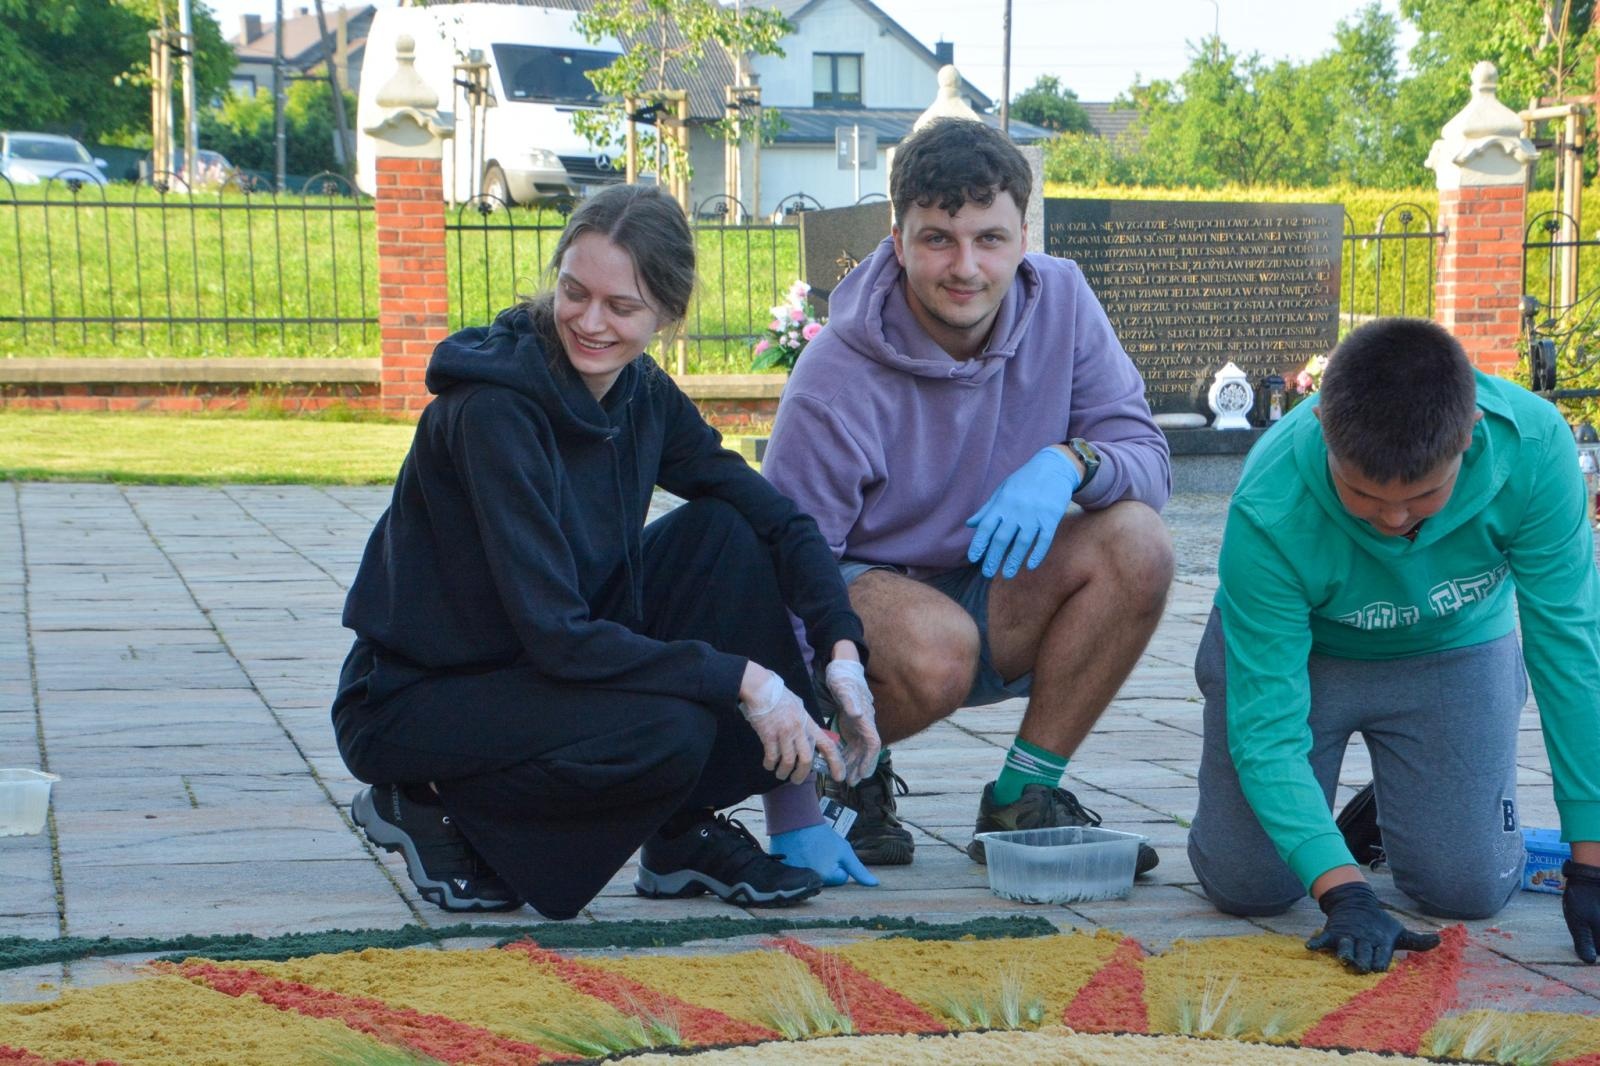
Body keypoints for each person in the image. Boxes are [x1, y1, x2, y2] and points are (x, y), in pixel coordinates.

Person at [330, 183, 881, 921]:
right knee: (672, 729)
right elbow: (558, 636)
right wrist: (749, 679)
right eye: (574, 292)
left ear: (666, 316)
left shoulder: (639, 392)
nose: (590, 323)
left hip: (536, 669)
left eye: (621, 308)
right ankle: (430, 803)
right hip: (418, 698)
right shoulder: (493, 412)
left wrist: (842, 655)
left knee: (729, 534)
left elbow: (779, 522)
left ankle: (677, 839)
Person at [761, 118, 1174, 871]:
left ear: (1024, 234)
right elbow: (785, 561)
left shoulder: (1066, 303)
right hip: (869, 610)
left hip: (995, 583)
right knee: (937, 643)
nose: (966, 266)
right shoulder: (834, 375)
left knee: (1138, 540)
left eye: (989, 238)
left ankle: (1024, 795)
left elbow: (1148, 458)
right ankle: (848, 769)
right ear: (897, 239)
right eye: (937, 239)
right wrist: (813, 709)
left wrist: (1068, 462)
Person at [1188, 317, 1600, 973]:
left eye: (1423, 496)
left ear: (1468, 438)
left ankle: (1405, 799)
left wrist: (1592, 855)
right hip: (1307, 661)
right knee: (1250, 888)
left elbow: (1572, 659)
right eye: (1365, 495)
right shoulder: (1269, 501)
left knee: (1469, 890)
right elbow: (1266, 726)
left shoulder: (1535, 449)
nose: (1394, 521)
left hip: (1453, 650)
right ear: (1323, 425)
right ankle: (1364, 818)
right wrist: (1341, 890)